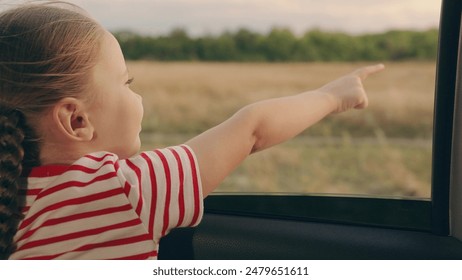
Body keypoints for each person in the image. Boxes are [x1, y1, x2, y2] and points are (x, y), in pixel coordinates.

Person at [0, 1, 384, 260]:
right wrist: (333, 96)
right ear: (77, 121)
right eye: (127, 81)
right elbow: (253, 129)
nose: (137, 93)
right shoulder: (123, 191)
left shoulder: (10, 201)